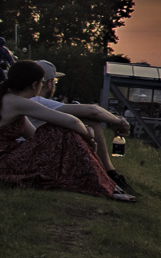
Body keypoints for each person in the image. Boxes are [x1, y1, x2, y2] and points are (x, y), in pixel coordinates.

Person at [0, 60, 132, 201]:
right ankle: (102, 185)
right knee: (60, 130)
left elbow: (34, 136)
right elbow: (71, 121)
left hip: (6, 159)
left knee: (58, 133)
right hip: (4, 163)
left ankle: (103, 182)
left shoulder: (9, 101)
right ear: (35, 84)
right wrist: (87, 137)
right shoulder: (17, 102)